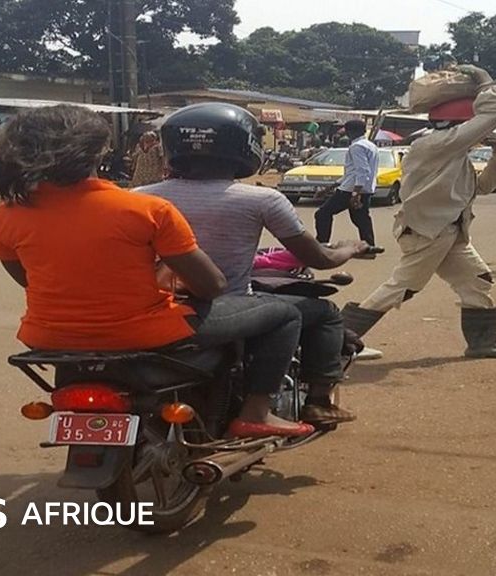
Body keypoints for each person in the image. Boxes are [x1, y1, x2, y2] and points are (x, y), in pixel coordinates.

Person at [0, 105, 314, 438]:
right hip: (146, 333)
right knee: (284, 314)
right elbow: (212, 287)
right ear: (99, 152)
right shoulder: (146, 209)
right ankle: (256, 412)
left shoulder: (3, 216)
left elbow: (27, 279)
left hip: (47, 337)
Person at [140, 102, 370, 425]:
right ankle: (312, 403)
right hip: (226, 306)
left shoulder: (139, 196)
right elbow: (320, 258)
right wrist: (350, 248)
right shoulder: (262, 199)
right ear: (247, 147)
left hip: (155, 306)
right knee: (324, 313)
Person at [341, 65, 496, 360]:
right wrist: (485, 81)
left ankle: (483, 343)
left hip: (449, 231)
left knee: (476, 281)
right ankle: (337, 343)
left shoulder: (452, 153)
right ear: (459, 125)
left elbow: (483, 186)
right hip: (428, 232)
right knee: (401, 287)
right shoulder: (436, 145)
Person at [314, 120, 386, 258]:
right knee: (361, 219)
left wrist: (355, 194)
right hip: (364, 189)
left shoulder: (356, 147)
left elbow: (362, 171)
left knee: (322, 214)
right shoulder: (371, 146)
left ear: (351, 132)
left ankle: (322, 245)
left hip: (351, 190)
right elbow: (351, 173)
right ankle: (369, 248)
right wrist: (330, 187)